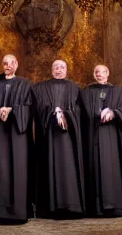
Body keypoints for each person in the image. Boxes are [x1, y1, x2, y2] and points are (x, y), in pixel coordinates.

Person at [0, 54, 33, 224]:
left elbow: (29, 107)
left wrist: (12, 110)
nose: (8, 66)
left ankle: (17, 213)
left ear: (17, 64)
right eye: (5, 63)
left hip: (17, 136)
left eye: (11, 63)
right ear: (2, 65)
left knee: (17, 170)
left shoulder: (25, 84)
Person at [80, 64, 122, 217]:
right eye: (96, 72)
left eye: (103, 72)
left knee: (113, 168)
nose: (100, 74)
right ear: (93, 74)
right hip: (93, 138)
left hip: (113, 139)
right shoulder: (86, 93)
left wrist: (114, 113)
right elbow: (80, 113)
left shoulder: (119, 91)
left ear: (108, 74)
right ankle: (96, 208)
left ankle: (116, 206)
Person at [32, 59, 85, 218]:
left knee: (68, 168)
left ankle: (71, 205)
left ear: (66, 70)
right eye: (56, 67)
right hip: (49, 137)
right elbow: (37, 108)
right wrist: (52, 112)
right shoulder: (40, 88)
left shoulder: (74, 88)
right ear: (51, 69)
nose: (59, 70)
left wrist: (66, 114)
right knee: (49, 166)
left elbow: (79, 110)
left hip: (67, 137)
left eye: (62, 67)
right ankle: (49, 207)